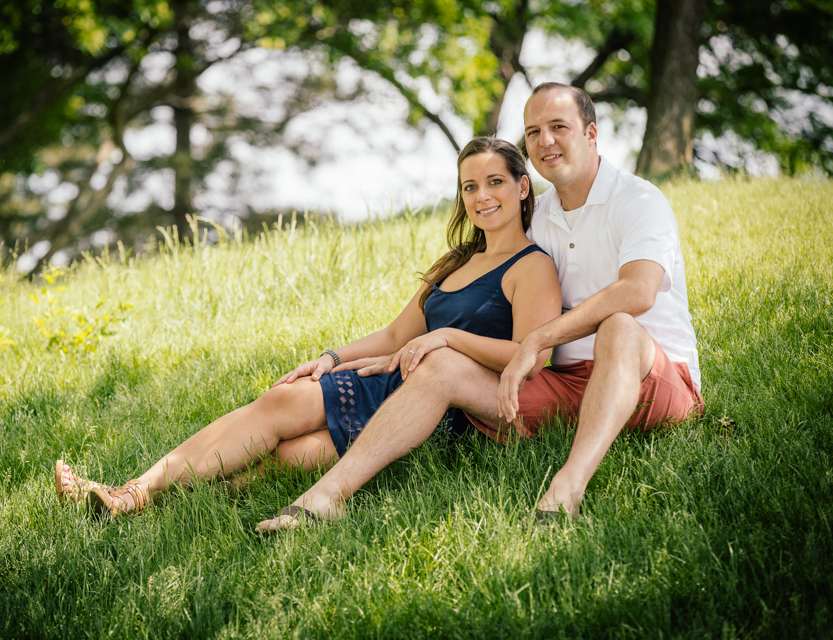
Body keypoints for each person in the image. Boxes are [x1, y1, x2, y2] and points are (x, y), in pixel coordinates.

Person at [256, 82, 702, 531]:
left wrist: (540, 338)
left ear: (590, 133)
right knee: (441, 364)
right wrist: (370, 355)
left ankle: (567, 486)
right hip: (558, 385)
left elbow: (638, 291)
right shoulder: (537, 215)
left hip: (651, 380)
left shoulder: (639, 200)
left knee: (618, 327)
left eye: (559, 127)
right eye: (533, 132)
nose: (545, 141)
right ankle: (326, 496)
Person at [54, 137, 562, 518]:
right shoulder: (455, 262)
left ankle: (142, 498)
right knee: (280, 404)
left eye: (495, 182)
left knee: (297, 454)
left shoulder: (531, 266)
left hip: (446, 407)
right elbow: (392, 337)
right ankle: (134, 494)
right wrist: (332, 359)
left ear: (522, 187)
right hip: (392, 376)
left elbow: (529, 357)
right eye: (469, 186)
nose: (481, 196)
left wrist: (447, 337)